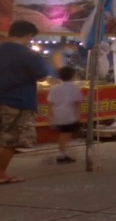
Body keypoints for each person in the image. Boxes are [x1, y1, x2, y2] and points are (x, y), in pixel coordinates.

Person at [0, 21, 53, 184]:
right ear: (29, 36)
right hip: (17, 100)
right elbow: (42, 76)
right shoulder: (29, 54)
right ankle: (1, 174)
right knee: (10, 139)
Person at [47, 66, 84, 164]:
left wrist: (50, 116)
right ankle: (61, 155)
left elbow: (50, 103)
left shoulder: (55, 88)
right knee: (65, 135)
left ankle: (63, 153)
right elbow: (77, 103)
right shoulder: (74, 88)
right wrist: (78, 116)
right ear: (73, 76)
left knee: (64, 135)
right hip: (69, 115)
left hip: (58, 114)